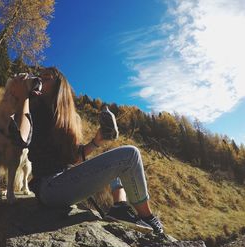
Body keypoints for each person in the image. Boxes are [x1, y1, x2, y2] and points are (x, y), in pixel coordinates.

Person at [9, 67, 163, 234]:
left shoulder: (66, 118)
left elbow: (72, 158)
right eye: (39, 77)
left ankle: (119, 206)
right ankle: (147, 218)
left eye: (46, 77)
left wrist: (97, 141)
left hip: (61, 182)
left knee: (118, 161)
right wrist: (24, 95)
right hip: (49, 187)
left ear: (60, 86)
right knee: (130, 155)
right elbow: (21, 139)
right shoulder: (33, 106)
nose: (40, 80)